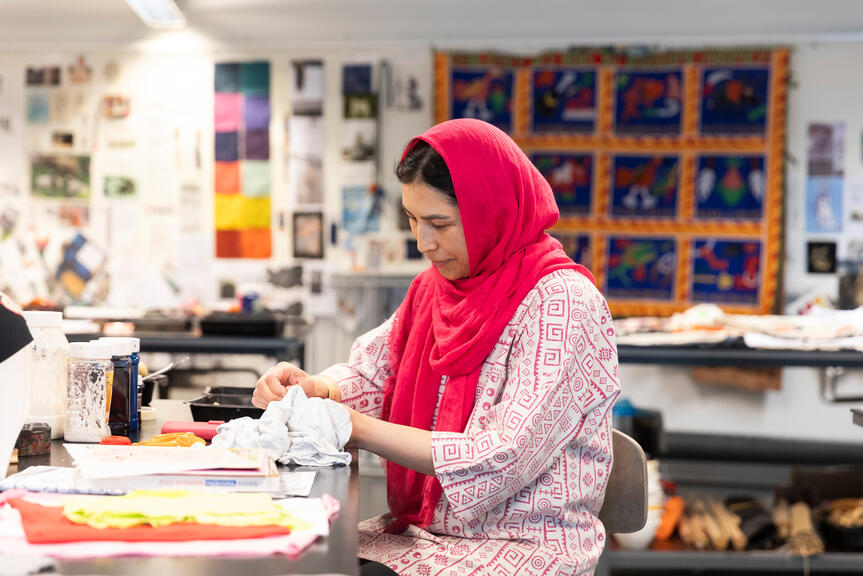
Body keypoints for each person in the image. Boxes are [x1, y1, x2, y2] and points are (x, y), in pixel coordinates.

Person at [253, 118, 620, 576]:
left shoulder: (561, 303)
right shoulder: (437, 289)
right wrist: (319, 389)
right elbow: (377, 375)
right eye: (412, 220)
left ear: (490, 212)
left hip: (524, 546)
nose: (423, 242)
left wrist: (356, 428)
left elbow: (502, 457)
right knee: (291, 556)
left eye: (439, 223)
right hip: (425, 536)